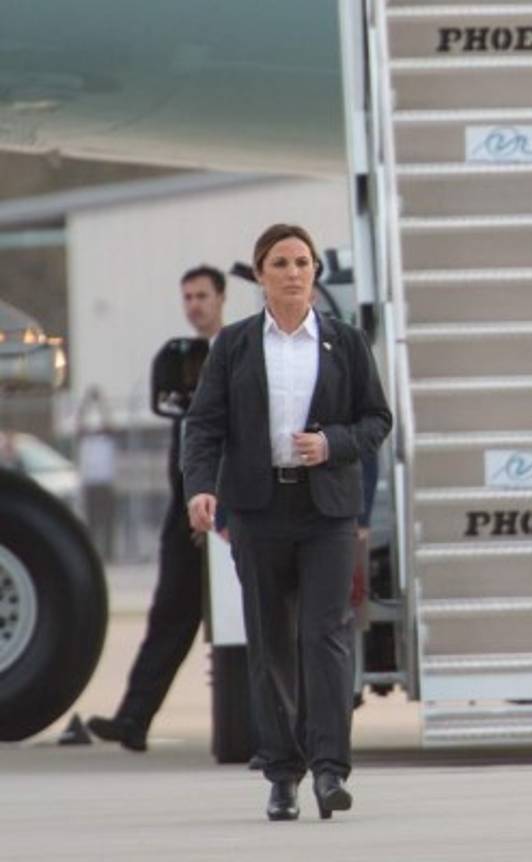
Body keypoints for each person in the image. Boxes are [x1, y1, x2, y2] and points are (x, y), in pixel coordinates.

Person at [183, 224, 391, 822]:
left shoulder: (345, 343)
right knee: (271, 641)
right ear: (262, 274)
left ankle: (330, 770)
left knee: (324, 636)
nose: (296, 272)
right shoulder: (236, 346)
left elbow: (377, 421)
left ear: (314, 274)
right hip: (258, 510)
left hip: (326, 510)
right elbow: (204, 425)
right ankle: (282, 773)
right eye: (282, 263)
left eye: (304, 262)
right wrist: (200, 487)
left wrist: (334, 443)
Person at [88, 266, 227, 752]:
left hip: (227, 509)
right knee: (169, 613)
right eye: (187, 296)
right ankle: (133, 718)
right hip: (183, 509)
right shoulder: (179, 359)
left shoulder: (240, 351)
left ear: (221, 298)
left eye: (202, 295)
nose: (194, 305)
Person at [76, 385, 118, 561]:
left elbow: (109, 424)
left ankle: (109, 553)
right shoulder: (85, 440)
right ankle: (94, 554)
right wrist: (86, 403)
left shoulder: (107, 439)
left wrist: (101, 403)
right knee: (92, 522)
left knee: (107, 521)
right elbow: (79, 425)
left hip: (105, 483)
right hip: (90, 484)